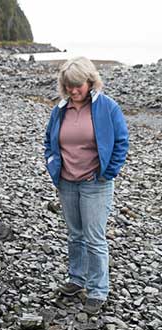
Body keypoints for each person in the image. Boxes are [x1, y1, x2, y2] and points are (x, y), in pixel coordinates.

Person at [44, 57, 129, 315]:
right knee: (75, 235)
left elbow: (121, 141)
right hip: (67, 182)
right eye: (68, 85)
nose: (73, 90)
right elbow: (49, 140)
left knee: (94, 238)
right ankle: (76, 279)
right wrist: (52, 165)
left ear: (90, 81)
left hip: (95, 183)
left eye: (78, 85)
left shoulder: (107, 107)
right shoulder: (60, 109)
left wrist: (108, 172)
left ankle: (98, 289)